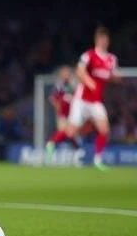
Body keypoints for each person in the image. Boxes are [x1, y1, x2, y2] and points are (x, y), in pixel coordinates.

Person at [46, 26, 120, 170]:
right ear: (96, 40)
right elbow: (79, 71)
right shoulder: (89, 55)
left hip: (96, 101)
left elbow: (113, 76)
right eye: (101, 39)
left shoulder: (112, 59)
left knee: (104, 129)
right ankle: (51, 143)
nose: (103, 41)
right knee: (71, 132)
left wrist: (116, 79)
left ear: (108, 41)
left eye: (105, 39)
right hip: (81, 100)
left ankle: (97, 160)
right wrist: (89, 81)